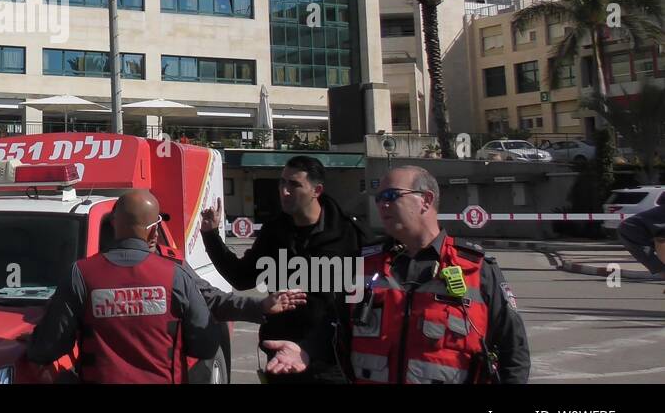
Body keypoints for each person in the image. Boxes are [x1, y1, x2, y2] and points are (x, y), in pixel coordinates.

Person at [264, 166, 530, 384]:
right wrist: (305, 349)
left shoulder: (477, 270)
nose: (382, 205)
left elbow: (513, 352)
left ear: (425, 200)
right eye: (379, 199)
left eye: (391, 196)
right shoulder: (364, 265)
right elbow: (334, 324)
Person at [27, 189, 289, 383]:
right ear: (153, 230)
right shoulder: (172, 274)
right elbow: (206, 342)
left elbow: (46, 346)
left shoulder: (82, 274)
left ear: (114, 224)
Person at [199, 155, 372, 383]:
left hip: (331, 360)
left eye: (294, 184)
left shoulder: (348, 235)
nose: (285, 191)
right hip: (280, 355)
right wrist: (211, 235)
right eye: (282, 182)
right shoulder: (274, 232)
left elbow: (362, 299)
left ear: (316, 190)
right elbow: (241, 278)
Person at [618, 204, 665, 280]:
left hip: (640, 229)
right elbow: (660, 240)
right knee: (651, 258)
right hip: (633, 230)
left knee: (653, 259)